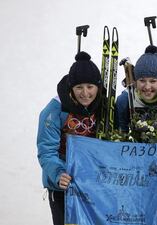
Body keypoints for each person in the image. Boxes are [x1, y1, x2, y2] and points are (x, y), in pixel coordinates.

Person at [37, 51, 102, 225]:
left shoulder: (102, 105)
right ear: (71, 88)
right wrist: (58, 174)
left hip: (91, 183)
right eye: (79, 87)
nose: (85, 93)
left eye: (90, 86)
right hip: (63, 184)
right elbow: (46, 151)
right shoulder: (54, 110)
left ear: (98, 86)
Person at [115, 45, 157, 142]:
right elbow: (121, 131)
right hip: (138, 152)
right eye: (142, 81)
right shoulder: (126, 99)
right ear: (135, 81)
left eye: (153, 81)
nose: (147, 87)